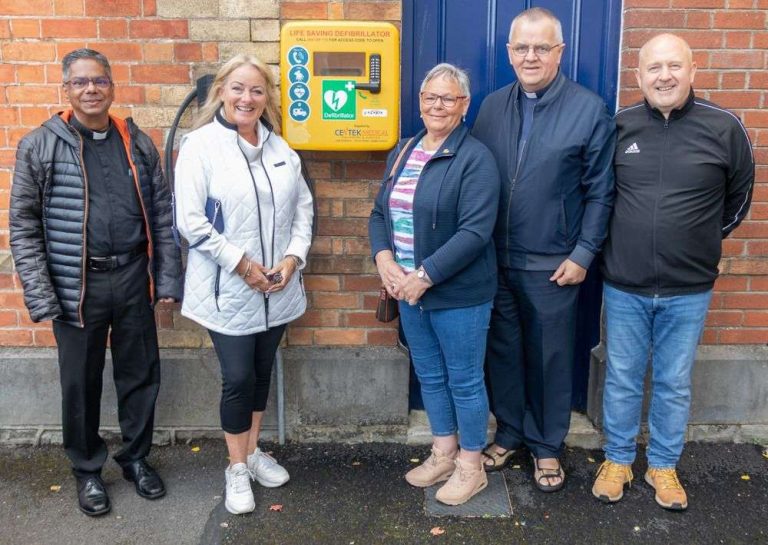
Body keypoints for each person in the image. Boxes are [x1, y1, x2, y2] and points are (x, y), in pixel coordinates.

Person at [9, 48, 181, 516]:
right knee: (80, 385)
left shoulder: (136, 142)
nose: (91, 90)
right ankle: (87, 471)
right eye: (81, 82)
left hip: (132, 278)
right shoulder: (40, 145)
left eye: (99, 81)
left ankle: (136, 459)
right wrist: (42, 295)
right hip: (75, 287)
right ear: (66, 89)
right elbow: (23, 227)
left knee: (140, 375)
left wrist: (166, 279)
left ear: (112, 86)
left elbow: (162, 215)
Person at [592, 34, 754, 511]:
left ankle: (663, 465)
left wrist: (700, 239)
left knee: (673, 380)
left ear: (692, 70)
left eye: (673, 66)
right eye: (654, 68)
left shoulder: (724, 128)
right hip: (624, 284)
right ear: (638, 76)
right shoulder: (620, 126)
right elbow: (601, 196)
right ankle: (618, 459)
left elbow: (739, 198)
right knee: (621, 375)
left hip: (689, 288)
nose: (664, 76)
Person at [472, 7, 615, 492]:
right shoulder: (491, 106)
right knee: (504, 353)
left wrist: (583, 253)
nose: (530, 56)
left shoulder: (588, 108)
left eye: (541, 47)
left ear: (560, 52)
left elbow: (600, 191)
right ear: (509, 52)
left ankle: (548, 445)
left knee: (551, 356)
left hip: (555, 264)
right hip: (494, 259)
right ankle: (510, 431)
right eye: (520, 47)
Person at [174, 54, 313, 515]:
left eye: (256, 90)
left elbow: (303, 212)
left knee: (259, 374)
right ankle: (235, 469)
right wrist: (243, 265)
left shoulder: (281, 150)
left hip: (277, 289)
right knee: (237, 378)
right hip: (228, 290)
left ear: (266, 97)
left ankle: (252, 453)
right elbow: (191, 221)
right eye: (237, 88)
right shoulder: (200, 146)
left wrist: (292, 259)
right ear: (221, 92)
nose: (246, 98)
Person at [369, 63, 500, 506]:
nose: (437, 106)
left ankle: (471, 465)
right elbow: (378, 215)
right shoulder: (404, 151)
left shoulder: (476, 158)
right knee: (429, 373)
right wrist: (385, 260)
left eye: (448, 98)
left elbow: (474, 232)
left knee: (464, 380)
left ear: (464, 106)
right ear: (419, 103)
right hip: (407, 291)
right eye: (430, 98)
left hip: (456, 294)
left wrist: (424, 276)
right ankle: (443, 451)